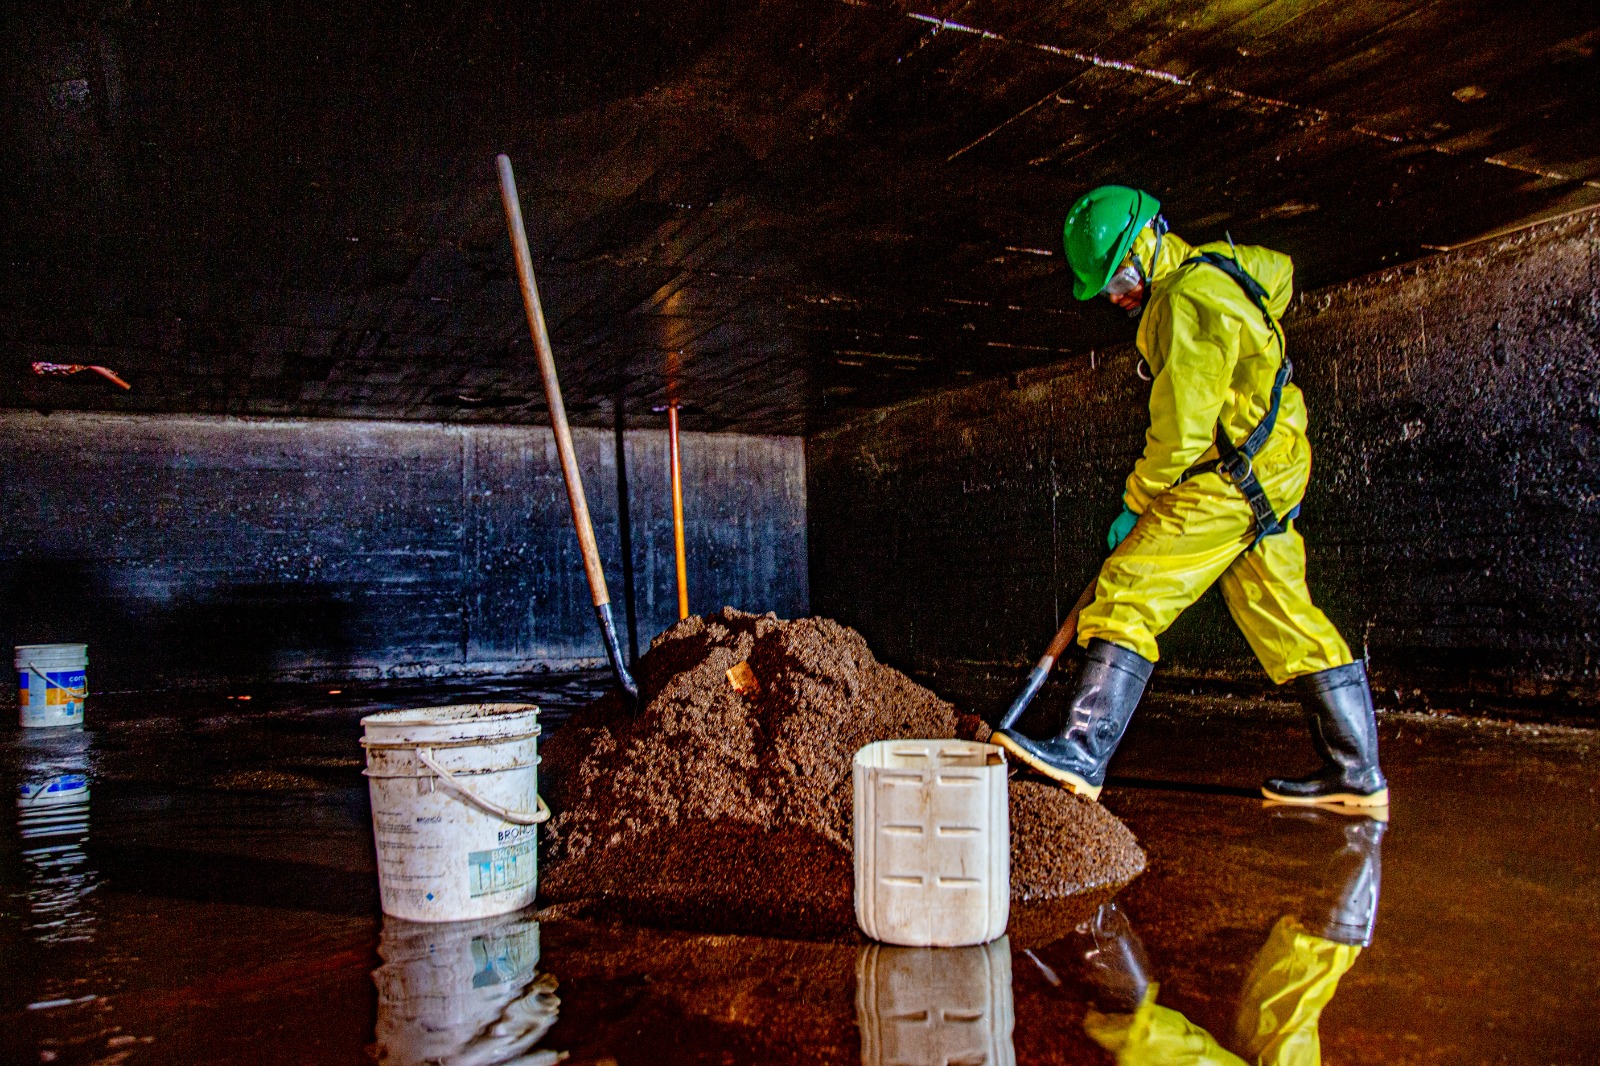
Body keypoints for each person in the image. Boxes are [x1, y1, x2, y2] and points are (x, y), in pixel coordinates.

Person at [992, 185, 1387, 808]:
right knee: (1283, 614)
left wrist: (1138, 501)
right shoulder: (1217, 274)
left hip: (1232, 475)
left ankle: (1082, 751)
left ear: (1150, 243)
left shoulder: (1189, 299)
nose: (1117, 295)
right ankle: (1356, 773)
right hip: (1271, 468)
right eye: (1106, 289)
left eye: (1120, 276)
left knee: (1131, 581)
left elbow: (1182, 426)